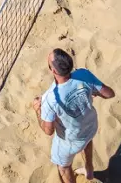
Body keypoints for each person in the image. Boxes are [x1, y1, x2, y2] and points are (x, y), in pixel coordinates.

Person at [31, 48, 115, 183]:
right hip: (90, 127)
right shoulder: (83, 74)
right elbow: (110, 94)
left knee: (63, 167)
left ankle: (86, 170)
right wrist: (93, 91)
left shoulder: (50, 98)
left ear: (53, 71)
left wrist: (37, 110)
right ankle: (89, 169)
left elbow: (48, 131)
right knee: (86, 141)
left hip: (69, 140)